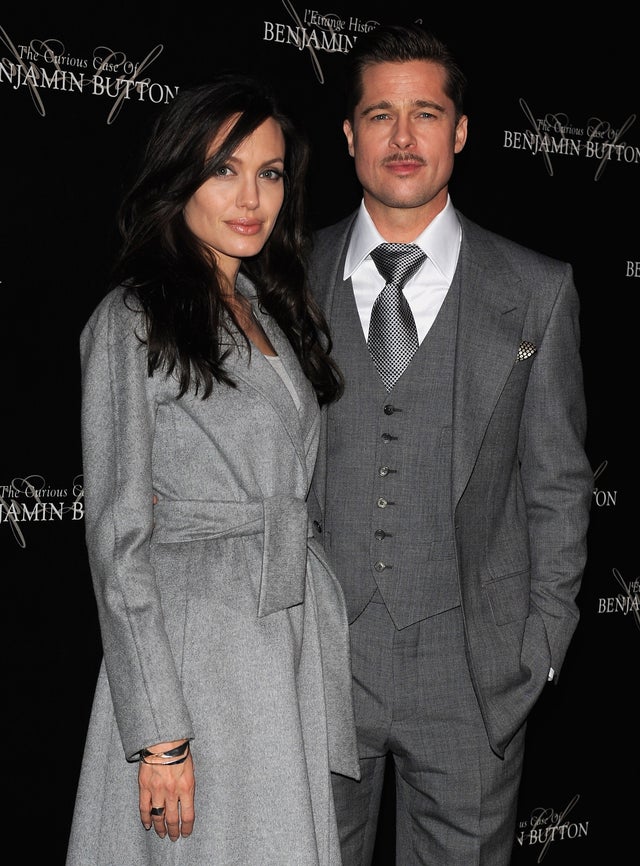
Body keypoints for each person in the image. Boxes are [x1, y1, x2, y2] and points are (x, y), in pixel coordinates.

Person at [307, 22, 593, 866]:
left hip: (473, 678)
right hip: (316, 667)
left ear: (460, 132)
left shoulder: (537, 290)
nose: (403, 137)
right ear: (350, 134)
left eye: (425, 113)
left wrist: (539, 646)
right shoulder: (283, 273)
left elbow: (558, 483)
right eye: (380, 114)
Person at [66, 73, 359, 866]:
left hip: (279, 640)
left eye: (269, 172)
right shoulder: (132, 318)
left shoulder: (269, 309)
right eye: (224, 169)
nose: (252, 196)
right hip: (199, 657)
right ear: (179, 176)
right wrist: (159, 734)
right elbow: (118, 538)